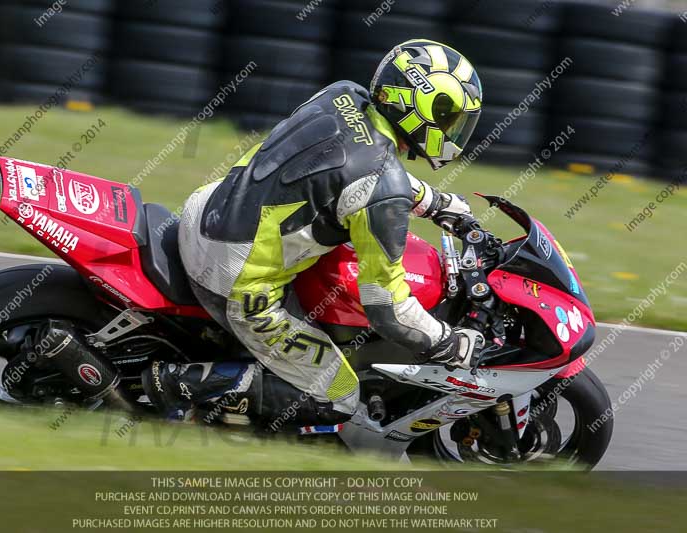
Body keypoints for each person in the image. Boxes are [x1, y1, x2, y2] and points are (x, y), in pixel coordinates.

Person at [142, 39, 485, 428]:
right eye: (447, 116)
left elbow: (352, 163)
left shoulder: (342, 95)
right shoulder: (381, 188)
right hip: (233, 276)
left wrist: (434, 202)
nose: (451, 130)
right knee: (337, 397)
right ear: (416, 105)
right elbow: (387, 308)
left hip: (206, 210)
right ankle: (178, 384)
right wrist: (447, 341)